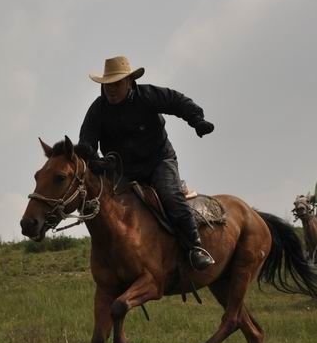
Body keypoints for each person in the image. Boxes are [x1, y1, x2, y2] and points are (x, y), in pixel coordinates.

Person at [78, 55, 215, 270]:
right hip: (123, 170)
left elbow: (177, 101)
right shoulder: (98, 109)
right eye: (107, 86)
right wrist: (96, 161)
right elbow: (86, 142)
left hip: (159, 161)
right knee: (105, 206)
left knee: (170, 196)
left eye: (117, 84)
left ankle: (195, 248)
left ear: (129, 82)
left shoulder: (148, 96)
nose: (111, 90)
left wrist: (197, 120)